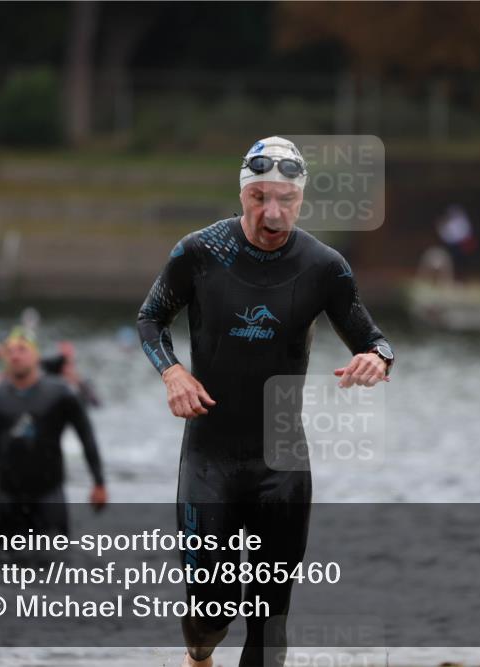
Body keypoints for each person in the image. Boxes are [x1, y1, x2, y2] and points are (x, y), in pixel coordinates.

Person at [137, 136, 394, 667]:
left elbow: (375, 339)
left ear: (300, 201)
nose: (271, 214)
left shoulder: (324, 266)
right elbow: (149, 319)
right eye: (259, 198)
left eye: (285, 200)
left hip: (282, 461)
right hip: (210, 457)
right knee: (210, 612)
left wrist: (378, 360)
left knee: (270, 619)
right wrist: (172, 372)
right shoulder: (201, 251)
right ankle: (199, 656)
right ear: (243, 192)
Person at [0, 327, 107, 538]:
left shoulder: (60, 395)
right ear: (3, 359)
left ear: (37, 356)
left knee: (57, 564)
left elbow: (87, 436)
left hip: (49, 498)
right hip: (4, 497)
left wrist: (99, 482)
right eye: (10, 351)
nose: (15, 355)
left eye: (22, 349)